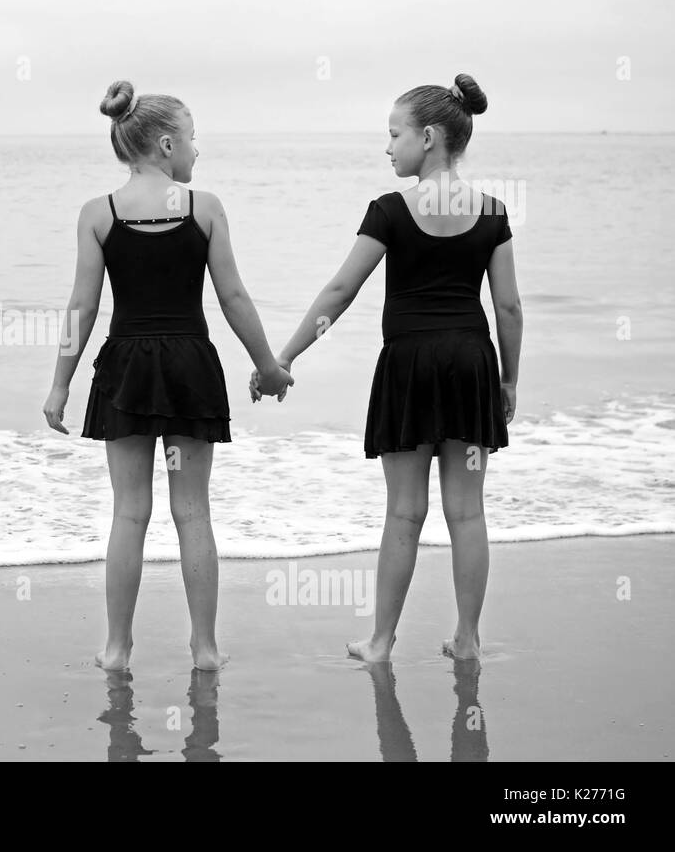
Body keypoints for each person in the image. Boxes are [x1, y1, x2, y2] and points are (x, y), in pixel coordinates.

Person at [255, 74, 523, 663]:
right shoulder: (495, 212)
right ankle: (468, 639)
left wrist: (286, 355)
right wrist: (507, 379)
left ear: (428, 138)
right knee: (467, 510)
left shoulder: (390, 210)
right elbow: (507, 306)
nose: (388, 147)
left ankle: (380, 642)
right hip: (471, 361)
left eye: (394, 134)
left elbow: (342, 288)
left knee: (405, 510)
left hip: (409, 365)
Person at [44, 80, 293, 671]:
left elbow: (82, 307)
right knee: (194, 513)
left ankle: (116, 648)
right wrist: (267, 365)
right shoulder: (203, 208)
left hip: (126, 365)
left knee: (129, 512)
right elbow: (232, 295)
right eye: (191, 139)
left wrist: (61, 383)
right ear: (164, 144)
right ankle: (205, 649)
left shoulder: (98, 214)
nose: (197, 150)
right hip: (189, 363)